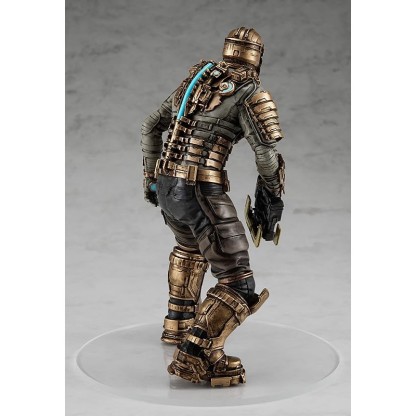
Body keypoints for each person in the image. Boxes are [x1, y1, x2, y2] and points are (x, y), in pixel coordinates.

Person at [140, 27, 285, 387]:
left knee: (189, 248)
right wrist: (273, 193)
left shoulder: (195, 80)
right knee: (240, 281)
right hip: (201, 188)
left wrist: (150, 180)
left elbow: (151, 126)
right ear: (257, 58)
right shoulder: (250, 92)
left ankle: (178, 324)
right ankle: (196, 354)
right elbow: (265, 154)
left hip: (168, 186)